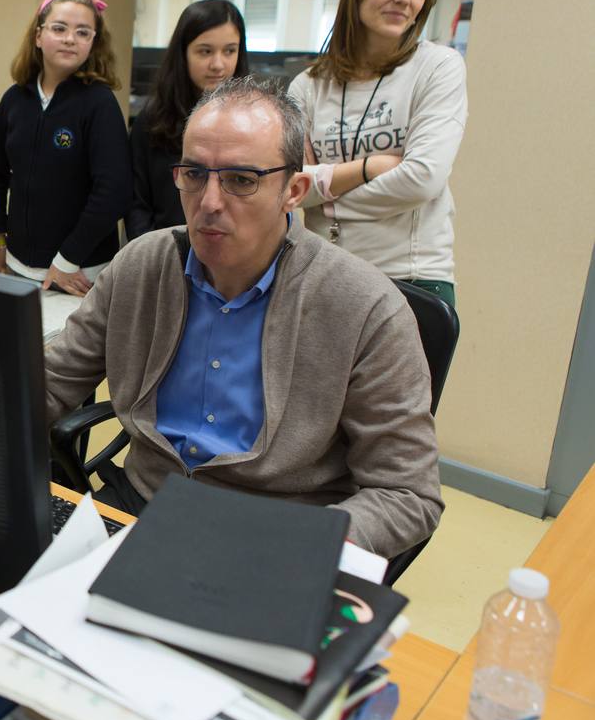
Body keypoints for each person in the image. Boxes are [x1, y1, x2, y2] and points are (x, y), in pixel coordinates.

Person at [44, 76, 442, 558]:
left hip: (277, 532)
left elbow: (407, 494)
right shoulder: (141, 266)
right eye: (194, 174)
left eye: (241, 180)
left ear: (293, 190)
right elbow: (49, 383)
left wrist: (303, 545)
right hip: (141, 505)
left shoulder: (365, 307)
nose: (209, 203)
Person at [289, 0, 467, 308]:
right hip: (325, 272)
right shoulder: (308, 87)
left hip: (411, 280)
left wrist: (326, 195)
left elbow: (422, 180)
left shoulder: (437, 68)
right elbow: (288, 185)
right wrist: (369, 168)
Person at [0, 0, 130, 296]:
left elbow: (113, 192)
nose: (70, 38)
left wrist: (67, 260)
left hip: (79, 273)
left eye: (82, 32)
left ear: (93, 42)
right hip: (18, 266)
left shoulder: (99, 103)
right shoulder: (14, 99)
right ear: (38, 36)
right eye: (59, 29)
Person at [126, 0, 249, 239]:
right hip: (164, 251)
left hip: (231, 253)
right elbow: (136, 204)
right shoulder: (152, 121)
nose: (218, 64)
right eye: (205, 51)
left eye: (229, 51)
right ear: (183, 54)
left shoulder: (252, 122)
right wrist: (152, 256)